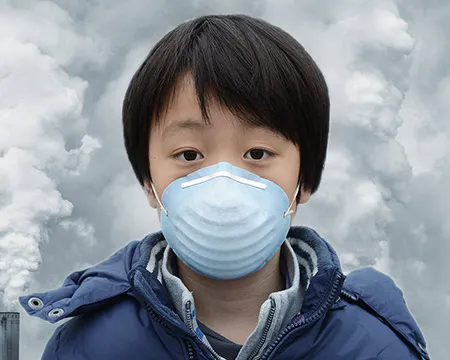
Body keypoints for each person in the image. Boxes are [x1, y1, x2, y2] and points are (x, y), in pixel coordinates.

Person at [19, 14, 430, 360]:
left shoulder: (374, 344)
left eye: (256, 154)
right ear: (148, 182)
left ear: (304, 180)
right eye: (188, 155)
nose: (223, 183)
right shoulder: (89, 345)